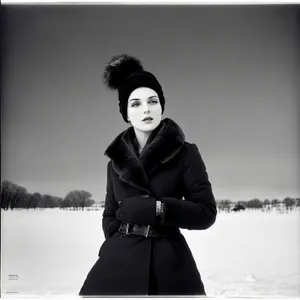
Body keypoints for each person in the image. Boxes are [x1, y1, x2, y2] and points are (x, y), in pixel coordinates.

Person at [79, 54, 217, 296]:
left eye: (153, 101)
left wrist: (159, 209)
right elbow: (110, 213)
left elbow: (206, 213)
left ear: (161, 105)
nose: (146, 110)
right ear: (126, 113)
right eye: (136, 104)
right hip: (118, 260)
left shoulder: (185, 153)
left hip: (169, 263)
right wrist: (114, 241)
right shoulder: (115, 162)